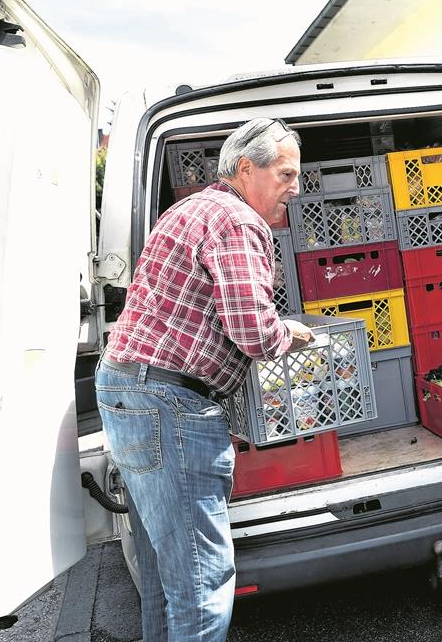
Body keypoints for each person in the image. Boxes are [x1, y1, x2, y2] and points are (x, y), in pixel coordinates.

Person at [96, 117, 314, 642]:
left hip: (127, 390)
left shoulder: (190, 208)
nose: (296, 188)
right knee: (201, 583)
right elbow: (254, 334)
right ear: (245, 168)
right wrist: (292, 332)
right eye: (285, 174)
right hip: (172, 404)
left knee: (164, 575)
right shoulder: (238, 221)